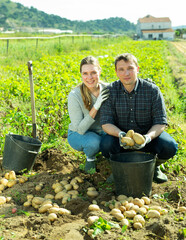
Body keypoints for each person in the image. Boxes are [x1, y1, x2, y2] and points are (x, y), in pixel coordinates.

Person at [100, 53, 178, 183]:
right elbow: (106, 122)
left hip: (148, 139)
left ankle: (154, 166)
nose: (126, 73)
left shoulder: (152, 90)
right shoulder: (110, 91)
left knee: (169, 146)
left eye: (130, 68)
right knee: (105, 144)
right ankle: (117, 168)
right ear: (116, 72)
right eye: (121, 69)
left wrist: (147, 138)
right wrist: (121, 135)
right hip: (121, 140)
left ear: (137, 69)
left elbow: (160, 122)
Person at [67, 56, 109, 173]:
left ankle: (110, 160)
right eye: (85, 73)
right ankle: (90, 158)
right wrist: (96, 106)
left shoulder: (108, 89)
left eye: (93, 73)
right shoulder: (75, 95)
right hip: (79, 134)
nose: (89, 77)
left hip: (103, 131)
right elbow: (80, 129)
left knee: (115, 141)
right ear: (81, 74)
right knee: (94, 143)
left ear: (99, 71)